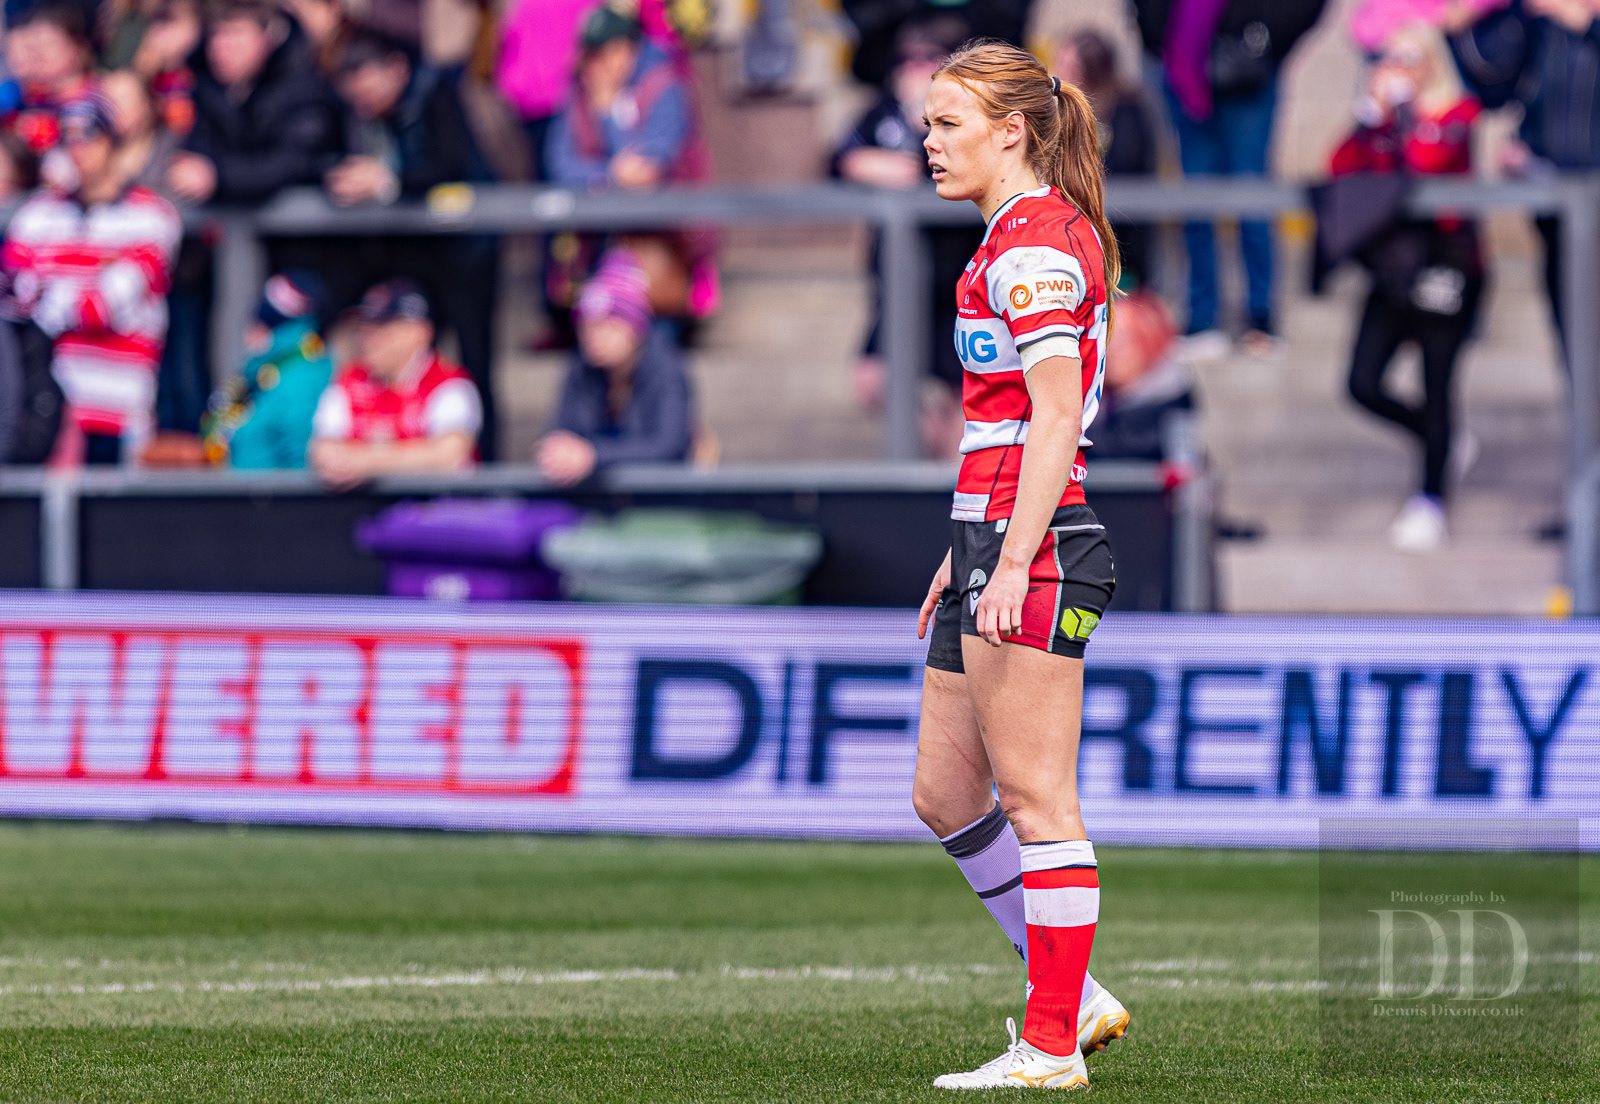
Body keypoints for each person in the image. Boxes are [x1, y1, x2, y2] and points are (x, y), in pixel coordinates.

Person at [912, 40, 1127, 1090]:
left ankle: (1049, 1048)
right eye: (927, 124)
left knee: (1037, 801)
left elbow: (1054, 417)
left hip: (1029, 546)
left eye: (947, 124)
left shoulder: (1033, 246)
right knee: (945, 791)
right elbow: (1003, 426)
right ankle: (1072, 998)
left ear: (1010, 131)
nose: (928, 142)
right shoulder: (1018, 235)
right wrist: (958, 552)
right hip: (989, 538)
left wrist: (1009, 558)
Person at [1331, 22, 1484, 551]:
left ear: (1432, 63)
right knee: (1362, 383)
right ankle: (1439, 440)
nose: (1396, 69)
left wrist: (1399, 116)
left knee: (1436, 383)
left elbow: (1424, 164)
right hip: (1394, 267)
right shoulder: (1382, 122)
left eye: (1408, 58)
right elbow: (1342, 171)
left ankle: (1431, 500)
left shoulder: (1459, 114)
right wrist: (1368, 119)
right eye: (1388, 58)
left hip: (1447, 265)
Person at [320, 26, 501, 457]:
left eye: (367, 84)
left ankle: (485, 469)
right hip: (414, 258)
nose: (362, 98)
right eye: (352, 89)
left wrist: (388, 181)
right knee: (412, 368)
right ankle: (415, 457)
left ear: (397, 69)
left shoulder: (435, 94)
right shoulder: (353, 114)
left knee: (475, 363)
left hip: (466, 253)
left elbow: (450, 163)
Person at [1133, 0, 1328, 356]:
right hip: (1184, 61)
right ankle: (1202, 317)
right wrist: (1156, 36)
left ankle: (1260, 316)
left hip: (1249, 65)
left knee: (1251, 192)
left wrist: (1266, 39)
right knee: (1195, 195)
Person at [1, 93, 180, 466]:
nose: (78, 149)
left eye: (89, 135)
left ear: (112, 140)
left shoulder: (152, 217)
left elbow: (99, 308)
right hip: (51, 405)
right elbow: (13, 303)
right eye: (68, 138)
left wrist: (51, 293)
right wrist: (89, 280)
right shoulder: (36, 216)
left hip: (120, 405)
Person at [832, 15, 973, 458]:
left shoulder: (969, 118)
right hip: (898, 277)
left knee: (963, 397)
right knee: (873, 378)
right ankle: (929, 464)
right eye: (906, 60)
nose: (911, 71)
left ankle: (953, 482)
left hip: (959, 279)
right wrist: (866, 165)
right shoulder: (884, 109)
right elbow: (838, 158)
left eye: (925, 60)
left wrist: (921, 127)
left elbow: (940, 172)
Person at [536, 248, 692, 485]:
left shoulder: (667, 371)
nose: (595, 336)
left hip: (656, 495)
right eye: (588, 326)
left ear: (635, 329)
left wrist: (593, 455)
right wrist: (557, 451)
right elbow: (563, 430)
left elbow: (669, 445)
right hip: (593, 495)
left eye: (608, 326)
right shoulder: (580, 368)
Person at [308, 278, 479, 488]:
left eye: (382, 329)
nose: (369, 340)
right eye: (363, 329)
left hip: (438, 506)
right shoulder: (349, 380)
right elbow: (322, 449)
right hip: (366, 507)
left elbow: (448, 456)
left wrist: (366, 462)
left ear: (419, 333)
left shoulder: (449, 384)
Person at [169, 0, 341, 207]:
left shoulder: (305, 83)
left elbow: (291, 162)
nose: (221, 47)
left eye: (236, 32)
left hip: (309, 218)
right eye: (215, 34)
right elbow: (198, 146)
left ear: (270, 34)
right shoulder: (204, 82)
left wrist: (218, 175)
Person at [1053, 29, 1159, 289]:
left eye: (1069, 67)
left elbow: (1125, 166)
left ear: (1090, 72)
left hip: (1123, 238)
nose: (1059, 75)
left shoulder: (1127, 110)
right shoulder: (1061, 113)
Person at [202, 269, 331, 468]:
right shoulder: (262, 375)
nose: (249, 334)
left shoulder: (300, 380)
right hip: (246, 486)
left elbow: (301, 465)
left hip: (266, 489)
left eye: (261, 324)